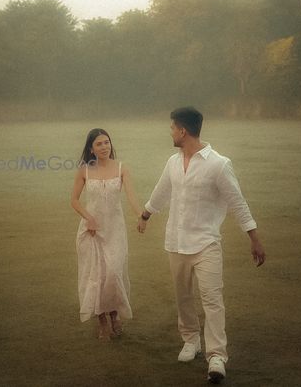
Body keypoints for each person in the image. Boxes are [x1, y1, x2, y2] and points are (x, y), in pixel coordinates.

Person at [137, 107, 266, 384]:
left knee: (212, 299)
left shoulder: (219, 164)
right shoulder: (173, 162)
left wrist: (254, 238)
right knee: (183, 296)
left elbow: (237, 202)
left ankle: (217, 356)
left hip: (206, 243)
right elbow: (161, 191)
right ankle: (191, 340)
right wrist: (146, 214)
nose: (170, 132)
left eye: (173, 128)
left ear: (183, 131)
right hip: (176, 242)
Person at [71, 128, 144, 340]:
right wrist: (89, 218)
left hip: (115, 230)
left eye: (107, 142)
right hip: (91, 231)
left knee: (113, 273)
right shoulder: (84, 171)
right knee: (96, 276)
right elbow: (74, 200)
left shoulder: (121, 168)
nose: (104, 147)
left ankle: (115, 314)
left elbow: (131, 196)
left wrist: (141, 215)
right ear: (91, 149)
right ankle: (103, 320)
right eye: (99, 144)